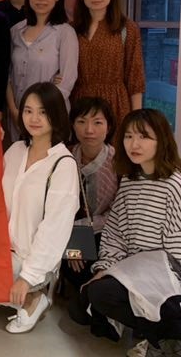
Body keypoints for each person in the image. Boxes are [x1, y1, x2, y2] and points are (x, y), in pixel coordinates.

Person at [0, 82, 79, 333]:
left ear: (56, 114)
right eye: (28, 111)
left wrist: (27, 277)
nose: (34, 118)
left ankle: (33, 295)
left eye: (43, 112)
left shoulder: (63, 164)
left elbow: (55, 231)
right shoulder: (16, 150)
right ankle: (19, 296)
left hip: (30, 258)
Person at [84, 109, 181, 356]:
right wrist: (106, 268)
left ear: (161, 140)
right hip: (131, 267)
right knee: (84, 301)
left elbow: (178, 255)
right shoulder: (129, 180)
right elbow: (115, 233)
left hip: (166, 274)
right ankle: (148, 324)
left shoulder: (176, 185)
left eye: (144, 137)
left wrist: (128, 275)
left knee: (101, 293)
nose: (134, 144)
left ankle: (157, 335)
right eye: (129, 136)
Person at [61, 97, 119, 320]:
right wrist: (74, 237)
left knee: (100, 264)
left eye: (97, 122)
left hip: (106, 231)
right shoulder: (64, 156)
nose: (89, 130)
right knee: (74, 265)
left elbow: (117, 213)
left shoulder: (118, 162)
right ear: (72, 124)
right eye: (81, 121)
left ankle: (93, 304)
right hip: (68, 231)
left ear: (108, 126)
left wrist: (84, 228)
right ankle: (87, 300)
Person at [6, 0, 78, 140]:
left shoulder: (64, 32)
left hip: (50, 117)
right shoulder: (16, 31)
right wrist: (14, 110)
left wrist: (39, 113)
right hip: (17, 115)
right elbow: (7, 76)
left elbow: (67, 80)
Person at [71, 0, 146, 126]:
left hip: (115, 104)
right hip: (80, 104)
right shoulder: (72, 29)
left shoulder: (127, 28)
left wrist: (136, 119)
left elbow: (135, 76)